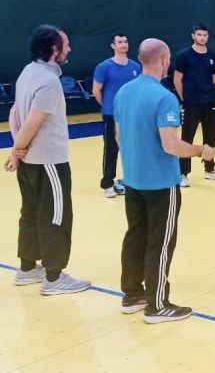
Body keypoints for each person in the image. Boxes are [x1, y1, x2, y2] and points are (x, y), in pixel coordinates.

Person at [115, 38, 215, 323]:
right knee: (160, 243)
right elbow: (170, 144)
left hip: (133, 180)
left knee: (136, 236)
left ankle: (132, 294)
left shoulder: (124, 92)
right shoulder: (164, 97)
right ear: (163, 60)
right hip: (160, 184)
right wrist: (201, 151)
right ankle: (157, 305)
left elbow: (119, 137)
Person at [5, 24, 91, 295]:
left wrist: (18, 150)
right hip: (49, 162)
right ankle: (54, 278)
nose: (70, 49)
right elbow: (33, 122)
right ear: (55, 49)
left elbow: (14, 114)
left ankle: (27, 269)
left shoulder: (27, 72)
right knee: (56, 215)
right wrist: (16, 150)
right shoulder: (49, 82)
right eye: (66, 45)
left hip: (30, 162)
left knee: (30, 213)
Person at [173, 24, 215, 186]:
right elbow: (177, 79)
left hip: (209, 101)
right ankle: (183, 173)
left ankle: (210, 169)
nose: (202, 37)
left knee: (211, 136)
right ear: (193, 36)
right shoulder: (184, 55)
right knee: (187, 137)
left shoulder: (213, 56)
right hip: (191, 102)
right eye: (199, 34)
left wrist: (211, 90)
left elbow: (213, 78)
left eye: (205, 35)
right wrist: (185, 99)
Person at [92, 33, 141, 198]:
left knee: (133, 148)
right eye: (120, 42)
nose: (123, 44)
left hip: (131, 115)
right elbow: (96, 90)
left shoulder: (135, 67)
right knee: (111, 149)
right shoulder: (104, 67)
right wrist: (108, 106)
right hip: (111, 115)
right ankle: (107, 183)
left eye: (125, 41)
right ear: (113, 46)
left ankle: (132, 180)